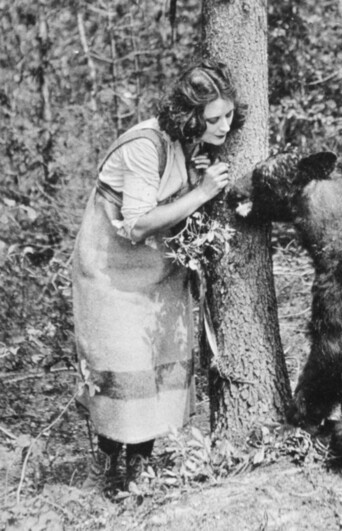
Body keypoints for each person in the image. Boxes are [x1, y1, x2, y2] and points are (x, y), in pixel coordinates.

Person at [72, 60, 246, 493]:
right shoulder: (145, 145)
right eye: (213, 119)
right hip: (111, 270)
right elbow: (136, 224)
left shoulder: (190, 143)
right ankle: (111, 465)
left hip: (158, 270)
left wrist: (195, 178)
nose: (224, 126)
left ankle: (140, 467)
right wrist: (203, 190)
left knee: (157, 357)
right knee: (123, 363)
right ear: (190, 117)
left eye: (228, 115)